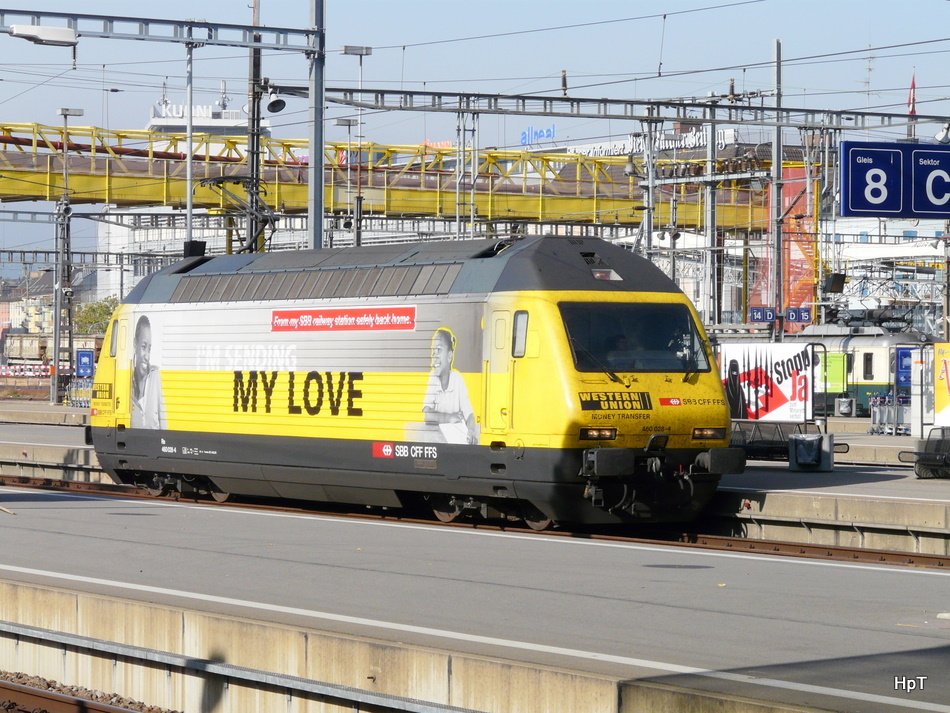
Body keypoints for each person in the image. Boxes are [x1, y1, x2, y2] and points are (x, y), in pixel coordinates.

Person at [422, 327, 478, 444]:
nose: (434, 355)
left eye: (438, 350)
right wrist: (449, 418)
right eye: (433, 351)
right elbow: (427, 415)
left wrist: (471, 430)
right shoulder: (433, 378)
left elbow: (470, 414)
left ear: (449, 356)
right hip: (436, 440)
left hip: (453, 440)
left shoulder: (457, 380)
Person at [131, 315, 165, 429]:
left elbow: (162, 416)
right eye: (143, 347)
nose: (147, 356)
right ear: (135, 344)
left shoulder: (155, 375)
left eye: (149, 349)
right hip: (134, 440)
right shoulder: (126, 379)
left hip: (153, 441)